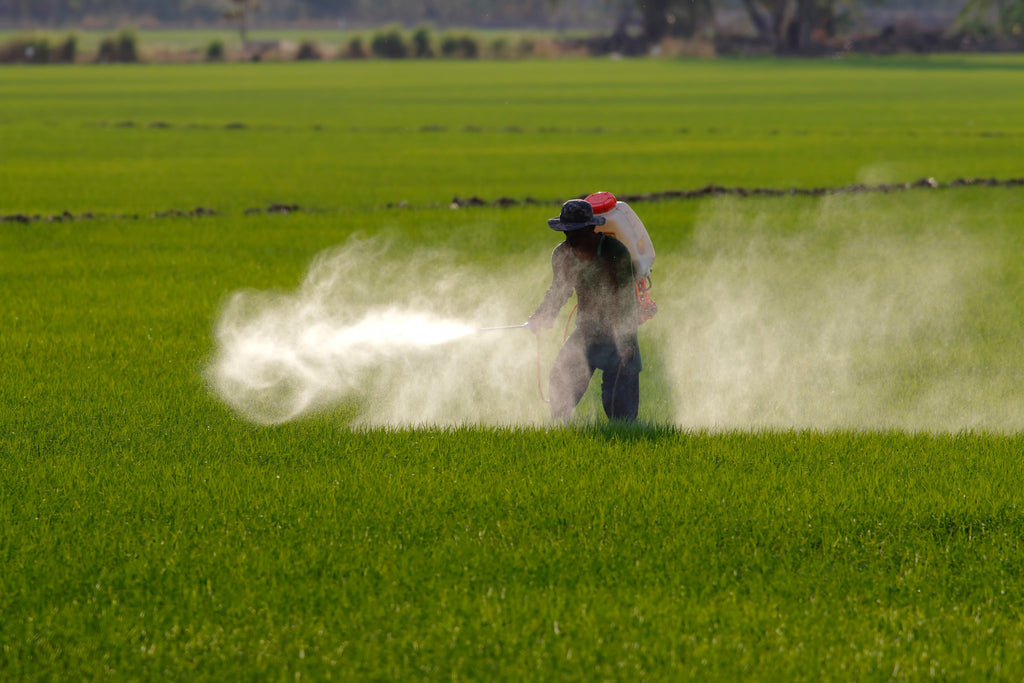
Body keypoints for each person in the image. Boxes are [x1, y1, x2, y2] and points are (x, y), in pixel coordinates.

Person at [527, 198, 641, 422]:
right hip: (587, 331)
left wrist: (626, 341)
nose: (570, 238)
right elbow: (559, 290)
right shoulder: (562, 255)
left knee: (618, 405)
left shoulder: (614, 251)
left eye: (575, 232)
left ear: (591, 228)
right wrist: (543, 315)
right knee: (561, 381)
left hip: (617, 333)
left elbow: (627, 299)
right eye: (566, 232)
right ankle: (560, 432)